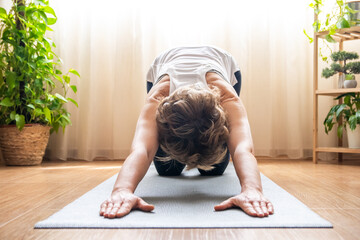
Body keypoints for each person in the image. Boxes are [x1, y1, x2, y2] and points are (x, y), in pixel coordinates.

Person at [99, 46, 274, 219]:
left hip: (222, 63)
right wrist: (122, 190)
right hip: (163, 65)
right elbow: (142, 149)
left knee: (214, 169)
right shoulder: (158, 96)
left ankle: (210, 151)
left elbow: (241, 147)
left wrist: (252, 190)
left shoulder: (227, 96)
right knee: (168, 169)